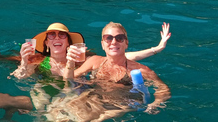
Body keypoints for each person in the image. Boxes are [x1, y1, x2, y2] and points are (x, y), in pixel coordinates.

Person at [68, 22, 171, 114]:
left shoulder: (140, 70)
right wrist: (70, 63)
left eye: (119, 38)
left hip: (121, 105)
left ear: (126, 43)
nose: (113, 42)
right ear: (102, 44)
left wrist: (155, 103)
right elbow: (69, 78)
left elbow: (163, 89)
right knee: (61, 110)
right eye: (108, 38)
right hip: (96, 100)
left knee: (91, 119)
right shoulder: (94, 62)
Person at [13, 22, 170, 80]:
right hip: (48, 90)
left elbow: (120, 55)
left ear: (68, 42)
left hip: (76, 92)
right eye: (51, 36)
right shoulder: (38, 59)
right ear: (46, 42)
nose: (56, 38)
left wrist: (156, 49)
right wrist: (24, 61)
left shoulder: (83, 58)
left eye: (61, 35)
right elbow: (19, 78)